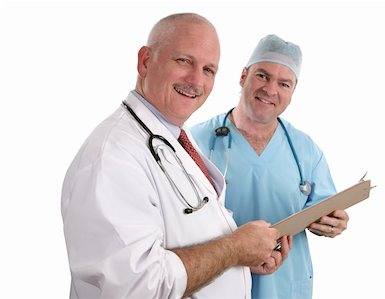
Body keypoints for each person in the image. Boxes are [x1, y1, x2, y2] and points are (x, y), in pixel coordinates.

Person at [61, 14, 291, 299]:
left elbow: (186, 239)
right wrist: (235, 248)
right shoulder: (113, 157)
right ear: (145, 61)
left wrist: (243, 261)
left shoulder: (172, 136)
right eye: (184, 61)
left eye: (209, 70)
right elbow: (140, 287)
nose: (196, 80)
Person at [190, 34, 350, 299]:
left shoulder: (305, 150)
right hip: (216, 284)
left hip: (285, 286)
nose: (270, 90)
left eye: (284, 83)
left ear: (292, 92)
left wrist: (334, 224)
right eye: (262, 76)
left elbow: (326, 208)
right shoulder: (196, 141)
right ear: (243, 76)